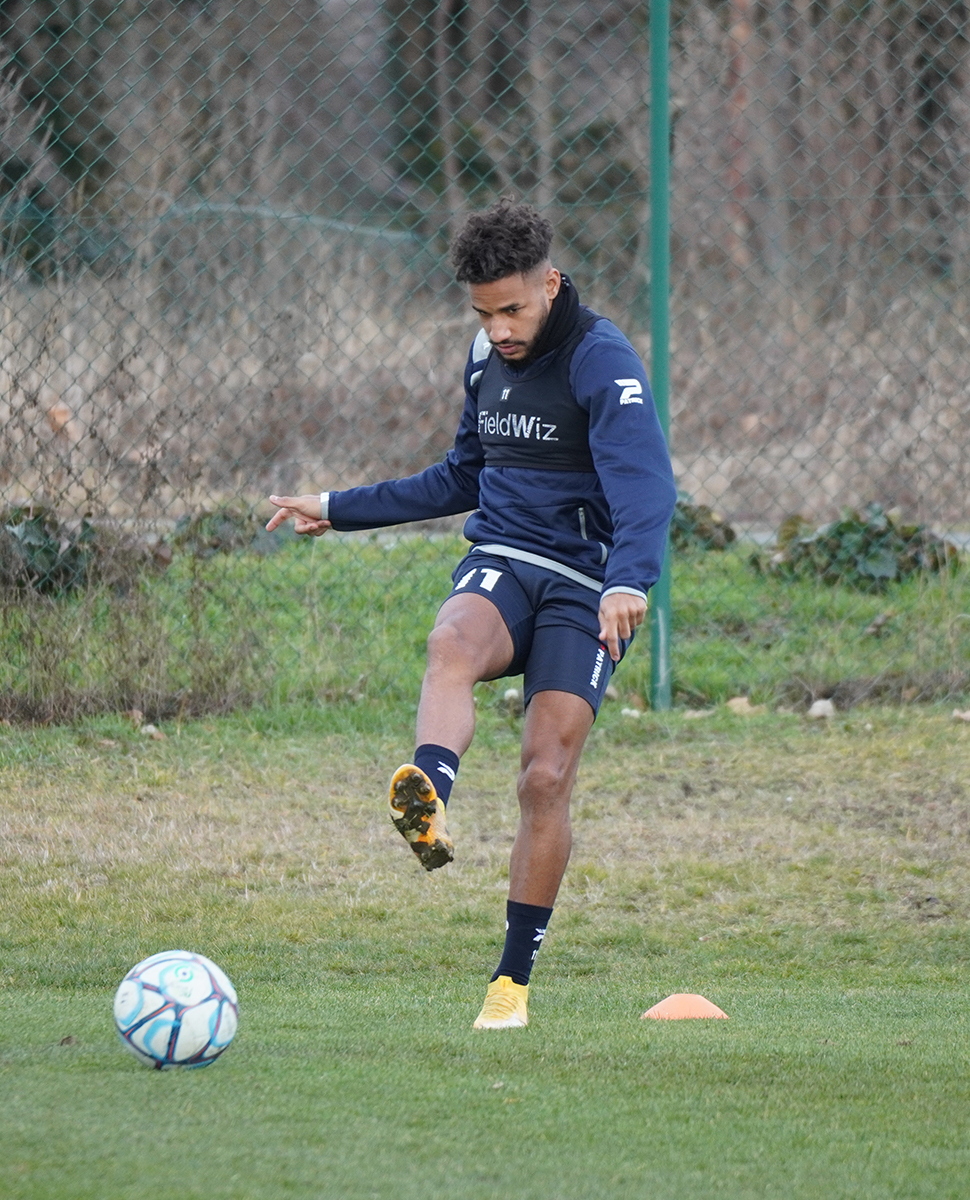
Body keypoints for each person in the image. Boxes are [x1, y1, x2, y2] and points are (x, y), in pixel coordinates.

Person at [267, 199, 674, 1029]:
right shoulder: (484, 359)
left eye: (513, 310)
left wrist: (629, 580)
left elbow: (646, 484)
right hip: (505, 557)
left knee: (544, 776)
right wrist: (338, 506)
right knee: (450, 638)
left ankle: (511, 983)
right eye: (483, 313)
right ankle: (430, 794)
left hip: (585, 583)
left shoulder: (602, 361)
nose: (498, 329)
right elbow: (461, 475)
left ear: (551, 285)